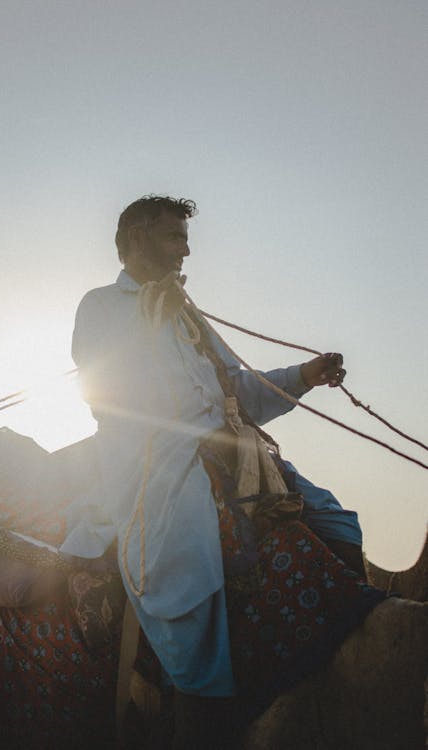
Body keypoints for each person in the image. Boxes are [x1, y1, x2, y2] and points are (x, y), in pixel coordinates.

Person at [68, 195, 385, 748]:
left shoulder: (189, 315)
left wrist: (304, 375)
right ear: (138, 240)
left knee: (338, 527)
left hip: (237, 456)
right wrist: (148, 328)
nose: (186, 248)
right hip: (161, 470)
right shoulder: (101, 308)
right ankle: (202, 714)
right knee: (193, 606)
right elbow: (101, 389)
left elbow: (237, 391)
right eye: (174, 236)